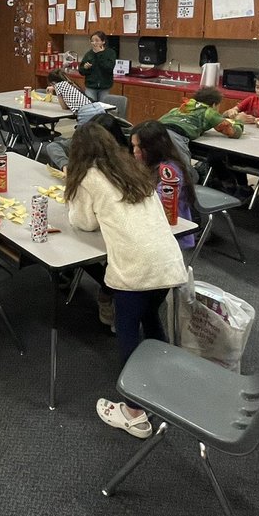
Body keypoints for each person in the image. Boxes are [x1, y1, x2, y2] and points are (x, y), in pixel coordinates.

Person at [64, 123, 187, 440]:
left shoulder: (88, 178)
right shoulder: (132, 168)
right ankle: (166, 381)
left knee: (128, 331)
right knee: (151, 318)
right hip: (169, 264)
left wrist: (72, 192)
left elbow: (83, 222)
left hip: (134, 270)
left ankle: (134, 412)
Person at [132, 120, 197, 250]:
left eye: (139, 147)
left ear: (153, 148)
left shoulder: (170, 170)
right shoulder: (145, 164)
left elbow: (160, 205)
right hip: (151, 226)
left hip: (171, 233)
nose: (134, 151)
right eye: (133, 146)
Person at [156, 86, 243, 175]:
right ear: (214, 105)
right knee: (185, 176)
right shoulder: (208, 112)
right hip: (174, 137)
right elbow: (234, 132)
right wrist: (239, 121)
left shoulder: (179, 108)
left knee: (157, 169)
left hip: (154, 133)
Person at [78, 31, 117, 102]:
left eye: (97, 41)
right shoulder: (89, 54)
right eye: (92, 41)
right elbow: (81, 71)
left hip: (105, 86)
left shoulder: (110, 53)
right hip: (91, 86)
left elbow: (109, 68)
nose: (94, 43)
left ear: (103, 41)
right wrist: (85, 68)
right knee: (91, 106)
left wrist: (99, 54)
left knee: (103, 108)